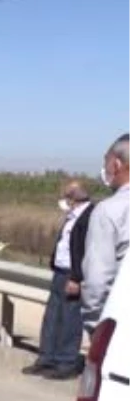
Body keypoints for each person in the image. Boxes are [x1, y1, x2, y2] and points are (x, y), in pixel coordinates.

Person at [24, 181, 93, 379]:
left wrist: (77, 278)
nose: (62, 200)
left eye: (65, 196)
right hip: (60, 272)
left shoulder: (89, 216)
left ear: (73, 197)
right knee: (52, 318)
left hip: (74, 275)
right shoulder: (71, 216)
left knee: (70, 320)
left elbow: (87, 250)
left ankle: (66, 363)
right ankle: (46, 359)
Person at [82, 134, 130, 333]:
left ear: (117, 164)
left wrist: (97, 328)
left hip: (119, 327)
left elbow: (97, 282)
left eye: (106, 161)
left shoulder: (108, 210)